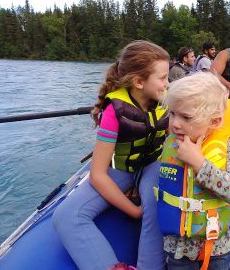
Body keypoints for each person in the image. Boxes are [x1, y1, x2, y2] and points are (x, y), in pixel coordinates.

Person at [52, 40, 170, 270]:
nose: (168, 83)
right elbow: (97, 175)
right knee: (66, 217)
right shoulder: (114, 111)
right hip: (121, 169)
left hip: (153, 164)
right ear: (138, 81)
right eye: (163, 77)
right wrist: (133, 210)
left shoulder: (167, 100)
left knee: (156, 206)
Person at [155, 72, 230, 270]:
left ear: (214, 121)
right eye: (172, 113)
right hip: (177, 249)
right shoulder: (170, 143)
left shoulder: (227, 146)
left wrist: (199, 163)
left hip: (216, 248)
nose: (175, 123)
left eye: (186, 117)